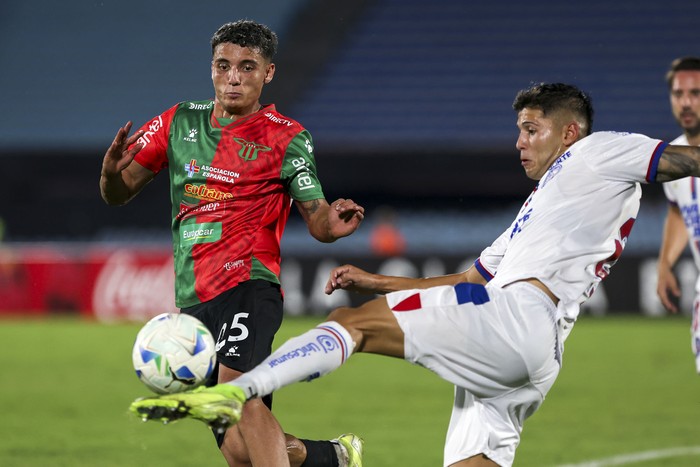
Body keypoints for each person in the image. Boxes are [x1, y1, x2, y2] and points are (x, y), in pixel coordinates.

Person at [130, 82, 700, 466]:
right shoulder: (539, 211)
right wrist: (379, 282)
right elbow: (469, 282)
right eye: (519, 129)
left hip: (519, 320)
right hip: (530, 353)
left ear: (569, 132)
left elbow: (680, 161)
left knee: (350, 325)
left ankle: (239, 390)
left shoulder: (596, 152)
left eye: (532, 129)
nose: (519, 142)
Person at [101, 20, 365, 467]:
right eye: (224, 66)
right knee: (240, 451)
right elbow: (119, 193)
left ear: (269, 73)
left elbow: (317, 217)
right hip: (194, 302)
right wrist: (109, 174)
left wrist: (331, 224)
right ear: (212, 69)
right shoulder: (178, 121)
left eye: (247, 67)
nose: (234, 77)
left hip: (250, 284)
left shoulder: (287, 137)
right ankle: (331, 457)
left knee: (238, 394)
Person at [656, 56, 700, 374]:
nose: (686, 102)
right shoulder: (675, 156)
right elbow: (678, 211)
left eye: (696, 93)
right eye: (678, 93)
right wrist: (665, 263)